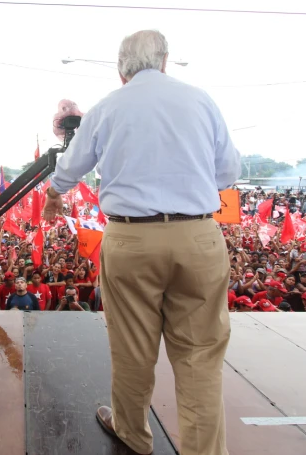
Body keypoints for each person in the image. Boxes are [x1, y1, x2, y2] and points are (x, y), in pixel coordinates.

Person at [43, 29, 240, 455]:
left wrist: (54, 196)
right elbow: (228, 173)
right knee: (199, 358)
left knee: (132, 347)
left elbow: (69, 170)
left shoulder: (107, 108)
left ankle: (132, 433)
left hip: (131, 239)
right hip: (198, 236)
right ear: (165, 61)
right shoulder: (201, 100)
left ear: (121, 71)